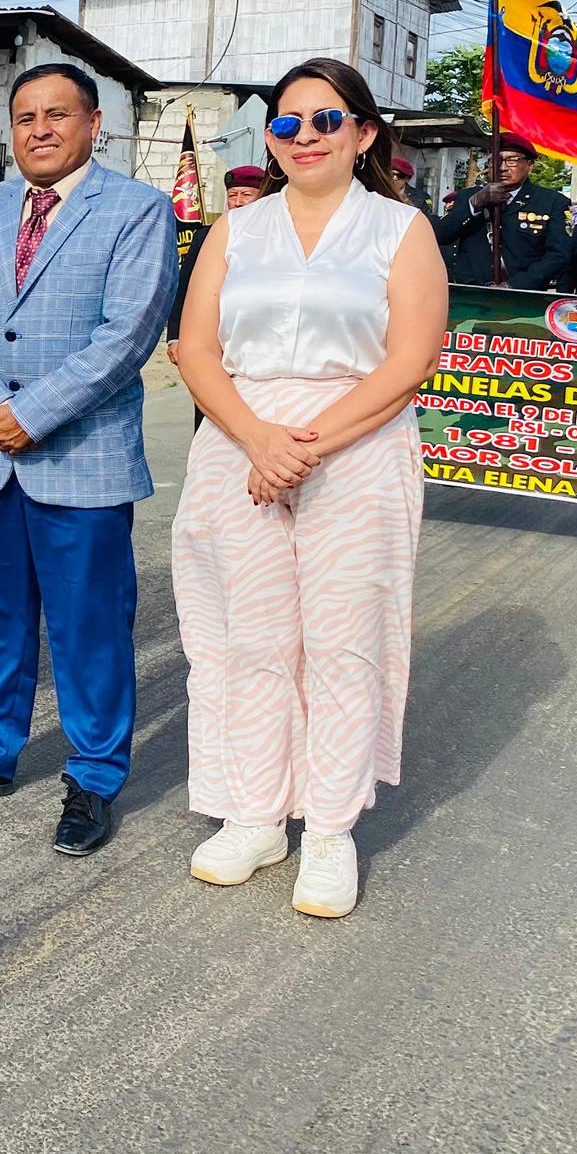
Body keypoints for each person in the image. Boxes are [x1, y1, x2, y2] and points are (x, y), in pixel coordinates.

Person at [172, 56, 449, 919]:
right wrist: (258, 439)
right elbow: (196, 348)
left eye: (327, 120)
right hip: (238, 444)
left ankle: (330, 829)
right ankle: (253, 814)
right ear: (271, 138)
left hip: (356, 447)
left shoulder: (400, 229)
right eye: (288, 123)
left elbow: (411, 359)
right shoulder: (235, 230)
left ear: (363, 134)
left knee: (342, 640)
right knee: (246, 637)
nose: (306, 137)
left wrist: (306, 447)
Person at [0, 63, 177, 858]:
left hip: (81, 456)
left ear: (94, 123)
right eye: (25, 117)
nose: (40, 130)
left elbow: (128, 336)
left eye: (58, 114)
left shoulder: (136, 210)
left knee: (89, 625)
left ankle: (94, 776)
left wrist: (33, 413)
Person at [434, 132, 570, 289]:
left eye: (512, 161)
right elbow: (441, 235)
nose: (503, 168)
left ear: (530, 165)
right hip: (472, 292)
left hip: (522, 293)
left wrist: (515, 285)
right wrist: (475, 204)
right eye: (496, 161)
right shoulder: (469, 196)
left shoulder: (551, 202)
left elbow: (558, 255)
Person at [167, 164, 266, 368]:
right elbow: (184, 286)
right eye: (232, 195)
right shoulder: (206, 236)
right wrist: (175, 336)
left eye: (246, 195)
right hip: (208, 334)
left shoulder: (274, 235)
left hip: (254, 338)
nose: (238, 202)